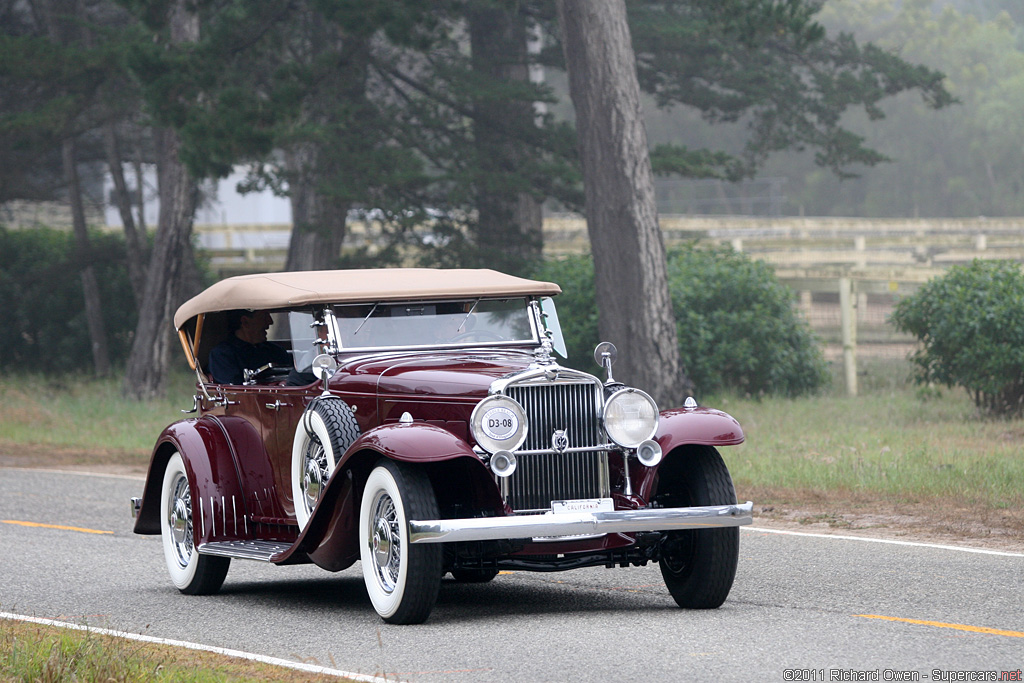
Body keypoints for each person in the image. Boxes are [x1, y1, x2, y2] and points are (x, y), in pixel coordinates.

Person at [208, 309, 291, 384]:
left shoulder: (275, 350)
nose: (270, 322)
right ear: (245, 322)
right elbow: (235, 392)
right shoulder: (222, 355)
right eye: (264, 316)